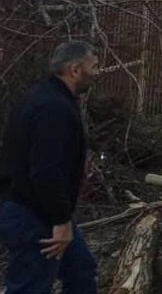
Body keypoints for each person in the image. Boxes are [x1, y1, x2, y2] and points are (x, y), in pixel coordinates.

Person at [0, 41, 100, 293]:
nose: (97, 73)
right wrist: (60, 220)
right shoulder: (53, 108)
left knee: (81, 271)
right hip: (31, 213)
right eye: (94, 66)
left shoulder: (43, 96)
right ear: (75, 70)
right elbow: (45, 170)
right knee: (31, 286)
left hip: (41, 209)